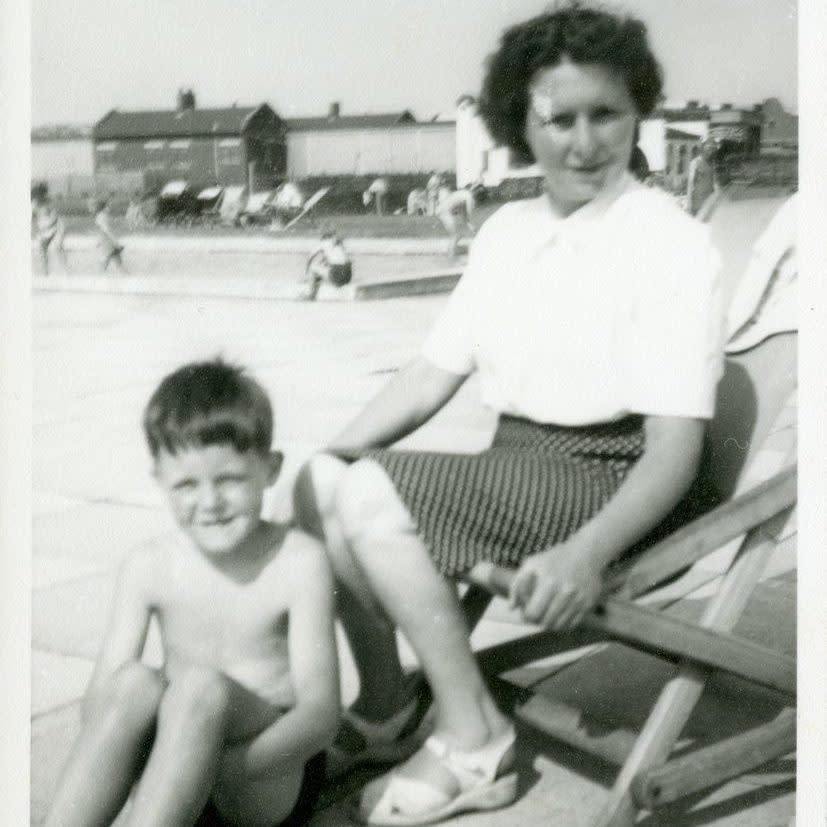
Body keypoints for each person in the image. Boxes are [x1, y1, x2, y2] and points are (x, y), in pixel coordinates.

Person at [294, 5, 724, 825]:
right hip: (521, 466)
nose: (584, 141)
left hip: (616, 481)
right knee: (320, 484)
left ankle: (474, 737)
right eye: (558, 119)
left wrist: (584, 554)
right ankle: (386, 709)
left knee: (372, 496)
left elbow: (673, 448)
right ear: (517, 125)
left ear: (638, 112)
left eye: (607, 114)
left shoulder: (666, 243)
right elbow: (428, 374)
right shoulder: (507, 233)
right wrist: (320, 457)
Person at [44, 359, 339, 827]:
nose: (210, 502)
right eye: (185, 484)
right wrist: (140, 754)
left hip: (264, 772)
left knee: (200, 687)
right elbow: (101, 704)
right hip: (176, 765)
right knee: (134, 682)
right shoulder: (149, 565)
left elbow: (321, 716)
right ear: (159, 481)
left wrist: (224, 768)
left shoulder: (299, 561)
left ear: (270, 469)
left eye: (230, 480)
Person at [301, 232, 353, 300]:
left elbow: (309, 258)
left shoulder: (323, 243)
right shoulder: (339, 244)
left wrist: (306, 274)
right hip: (348, 276)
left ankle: (311, 295)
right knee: (323, 267)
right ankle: (340, 291)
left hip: (336, 275)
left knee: (313, 268)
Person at [31, 185, 68, 275]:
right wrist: (34, 231)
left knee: (58, 249)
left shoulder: (48, 203)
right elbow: (33, 219)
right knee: (42, 252)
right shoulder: (34, 204)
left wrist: (55, 227)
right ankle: (45, 273)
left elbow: (56, 216)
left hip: (54, 229)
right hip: (43, 230)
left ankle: (65, 271)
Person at [434, 185, 476, 257]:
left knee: (460, 234)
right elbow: (468, 212)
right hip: (444, 212)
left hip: (442, 211)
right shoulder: (468, 196)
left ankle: (451, 250)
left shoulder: (461, 195)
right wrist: (471, 225)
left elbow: (463, 213)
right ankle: (451, 257)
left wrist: (470, 225)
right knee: (455, 236)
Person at [686, 137, 721, 217]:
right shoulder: (695, 163)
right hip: (698, 203)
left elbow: (714, 182)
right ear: (703, 148)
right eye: (708, 148)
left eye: (712, 149)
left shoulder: (712, 163)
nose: (710, 152)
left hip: (709, 202)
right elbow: (690, 185)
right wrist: (689, 204)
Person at [93, 198, 127, 273]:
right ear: (104, 207)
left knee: (117, 261)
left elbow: (109, 228)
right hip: (106, 242)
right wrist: (116, 242)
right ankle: (96, 278)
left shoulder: (104, 216)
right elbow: (107, 230)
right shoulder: (102, 217)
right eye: (108, 206)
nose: (110, 207)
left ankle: (126, 276)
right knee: (106, 260)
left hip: (108, 241)